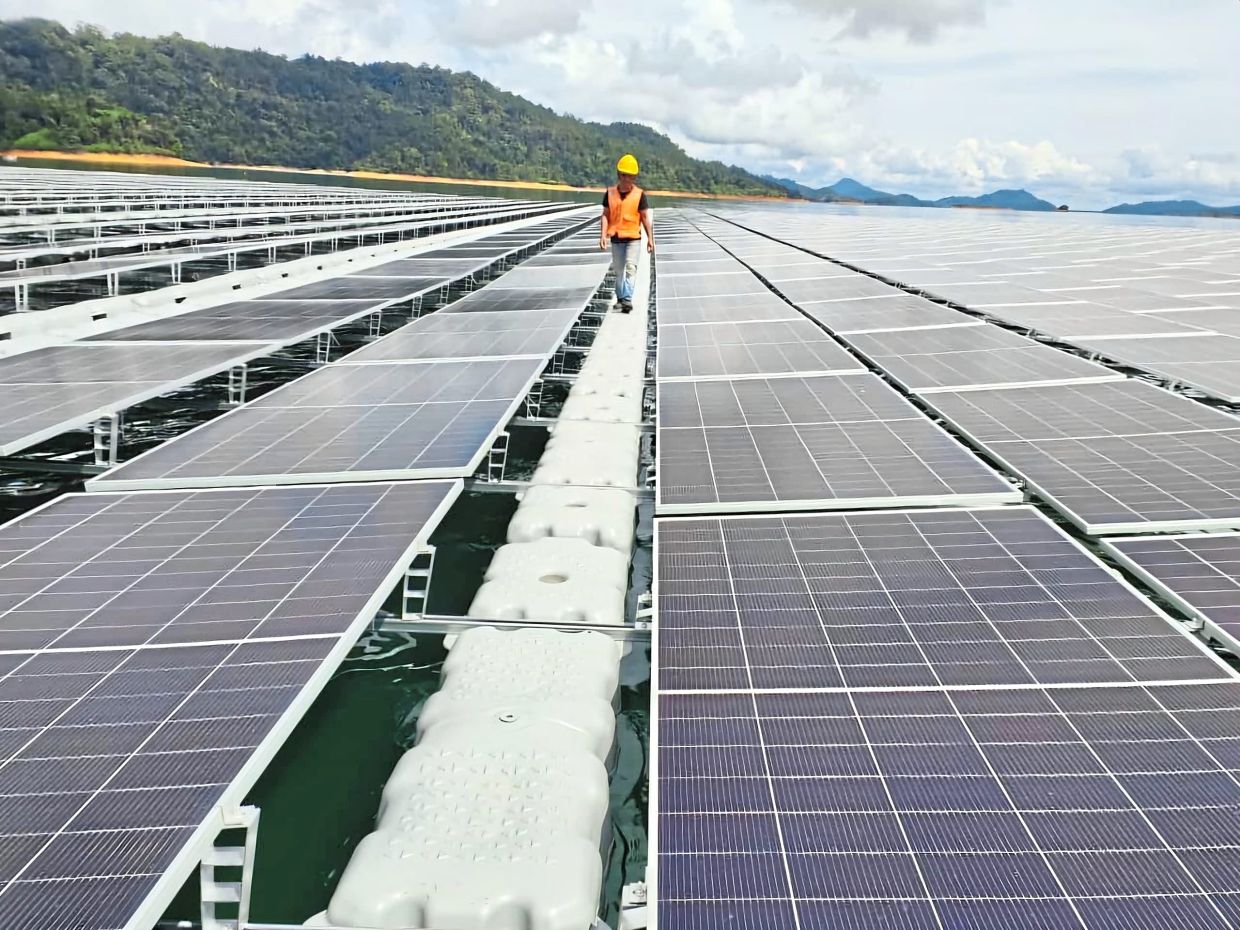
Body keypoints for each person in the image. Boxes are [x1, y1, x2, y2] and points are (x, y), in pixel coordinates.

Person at [599, 153, 654, 313]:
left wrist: (650, 239)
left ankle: (627, 299)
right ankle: (621, 299)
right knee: (619, 271)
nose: (627, 179)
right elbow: (605, 215)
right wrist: (602, 235)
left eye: (630, 176)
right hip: (616, 238)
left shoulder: (639, 195)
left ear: (634, 177)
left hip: (633, 239)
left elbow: (644, 217)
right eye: (624, 175)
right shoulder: (610, 193)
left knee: (631, 267)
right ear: (619, 175)